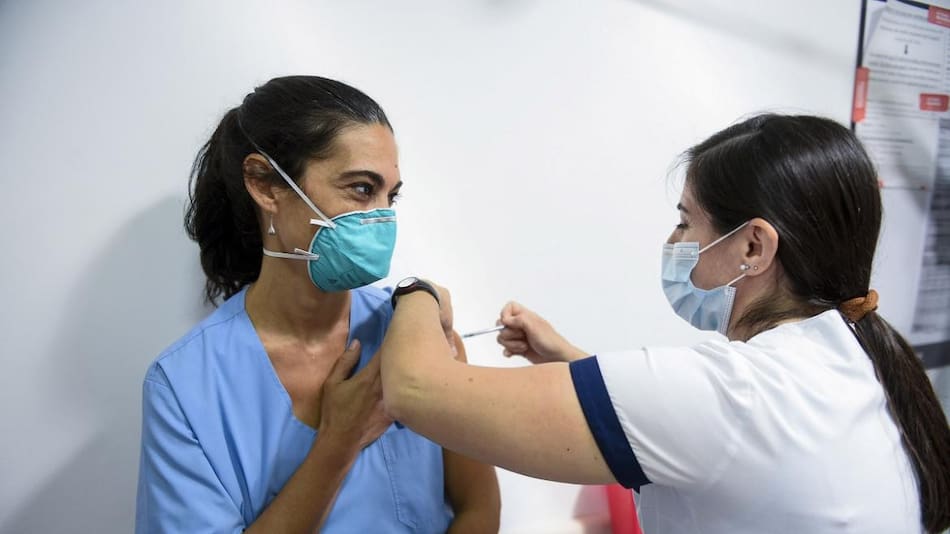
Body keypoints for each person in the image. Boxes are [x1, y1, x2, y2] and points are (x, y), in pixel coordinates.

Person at [377, 114, 950, 533]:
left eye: (685, 222)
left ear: (753, 245)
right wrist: (569, 361)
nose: (674, 243)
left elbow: (417, 390)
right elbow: (687, 428)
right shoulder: (854, 356)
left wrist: (416, 292)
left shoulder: (736, 393)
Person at [135, 75, 500, 533]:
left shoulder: (417, 331)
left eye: (391, 195)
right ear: (265, 184)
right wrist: (339, 441)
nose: (383, 217)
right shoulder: (185, 385)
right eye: (362, 189)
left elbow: (479, 508)